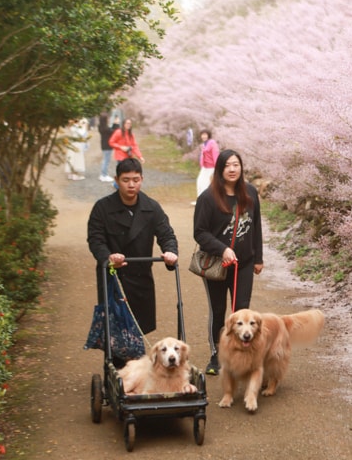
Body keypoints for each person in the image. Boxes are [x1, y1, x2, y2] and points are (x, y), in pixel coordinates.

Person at [87, 158, 179, 364]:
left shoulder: (151, 207)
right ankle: (116, 372)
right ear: (117, 180)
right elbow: (95, 239)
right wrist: (108, 257)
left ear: (142, 179)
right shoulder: (102, 208)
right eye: (126, 180)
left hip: (141, 276)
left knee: (139, 327)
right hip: (113, 276)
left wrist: (170, 252)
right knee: (116, 327)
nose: (131, 185)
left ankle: (137, 371)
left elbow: (166, 234)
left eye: (135, 180)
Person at [193, 149, 263, 375]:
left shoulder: (250, 192)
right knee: (218, 309)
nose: (232, 169)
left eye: (236, 165)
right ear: (219, 169)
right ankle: (216, 355)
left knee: (242, 312)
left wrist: (258, 257)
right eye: (227, 166)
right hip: (216, 265)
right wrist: (222, 249)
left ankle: (241, 353)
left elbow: (256, 227)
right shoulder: (208, 197)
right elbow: (200, 232)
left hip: (243, 263)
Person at [194, 128, 219, 205]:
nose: (203, 136)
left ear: (208, 135)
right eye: (202, 135)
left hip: (212, 167)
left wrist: (217, 167)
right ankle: (200, 199)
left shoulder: (212, 143)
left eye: (205, 134)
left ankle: (205, 201)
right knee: (199, 182)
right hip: (205, 167)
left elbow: (216, 155)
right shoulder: (204, 144)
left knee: (206, 184)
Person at [97, 113, 117, 182]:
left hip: (104, 145)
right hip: (107, 146)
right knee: (106, 161)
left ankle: (103, 175)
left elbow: (111, 130)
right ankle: (104, 175)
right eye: (107, 118)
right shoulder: (105, 128)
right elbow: (114, 131)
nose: (108, 120)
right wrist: (116, 124)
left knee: (105, 160)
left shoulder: (101, 127)